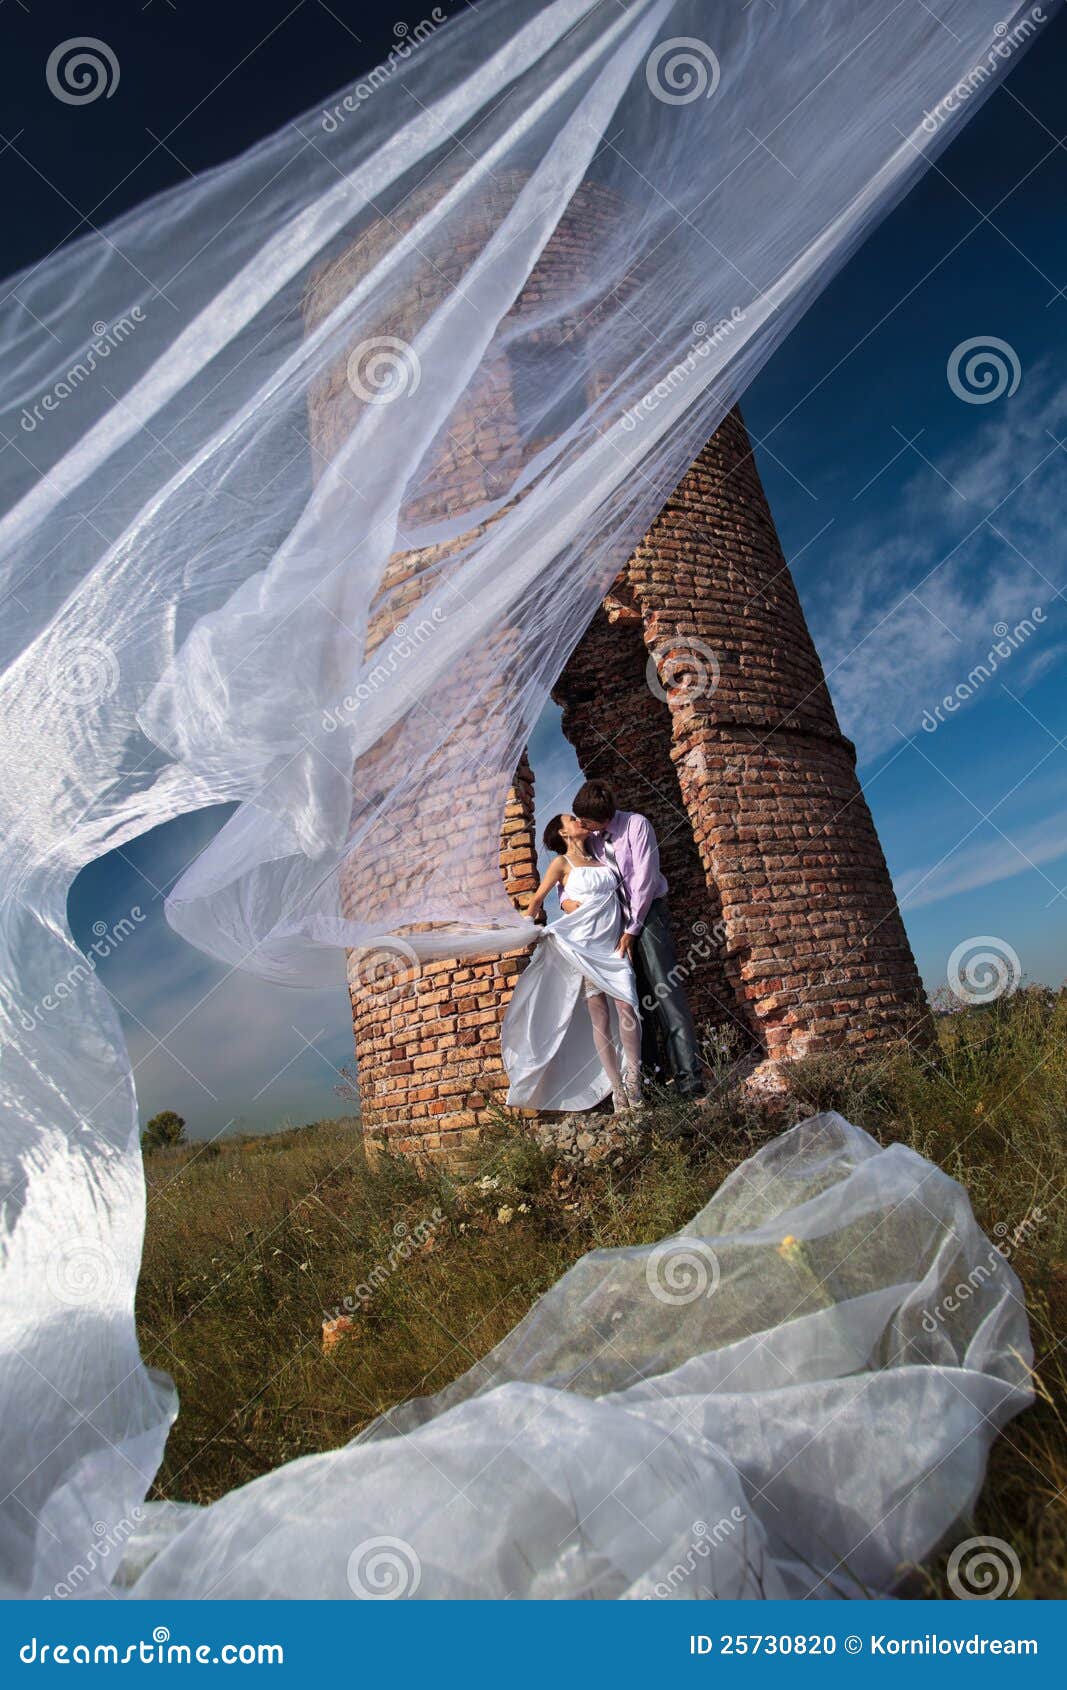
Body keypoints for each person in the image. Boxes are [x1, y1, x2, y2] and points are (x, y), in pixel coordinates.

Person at [572, 779, 707, 1101]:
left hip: (647, 917)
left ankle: (690, 1082)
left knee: (665, 992)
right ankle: (653, 1083)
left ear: (604, 818)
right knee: (634, 1001)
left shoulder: (636, 825)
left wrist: (632, 930)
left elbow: (644, 882)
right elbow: (576, 874)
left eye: (586, 822)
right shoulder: (592, 840)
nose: (581, 825)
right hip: (615, 927)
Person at [501, 814, 644, 1114]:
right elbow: (538, 899)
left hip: (612, 946)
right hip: (583, 945)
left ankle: (634, 1080)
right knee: (600, 1017)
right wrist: (525, 927)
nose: (579, 820)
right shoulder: (561, 863)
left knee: (628, 1008)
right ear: (563, 832)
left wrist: (627, 933)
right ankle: (617, 1090)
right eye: (572, 819)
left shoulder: (602, 858)